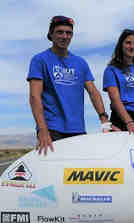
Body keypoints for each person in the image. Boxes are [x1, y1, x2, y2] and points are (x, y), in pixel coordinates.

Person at [27, 16, 117, 155]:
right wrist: (42, 130)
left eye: (68, 33)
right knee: (54, 172)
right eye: (60, 32)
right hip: (52, 129)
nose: (64, 36)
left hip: (78, 129)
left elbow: (93, 92)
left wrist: (104, 120)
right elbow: (34, 97)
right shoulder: (40, 60)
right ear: (51, 34)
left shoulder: (80, 63)